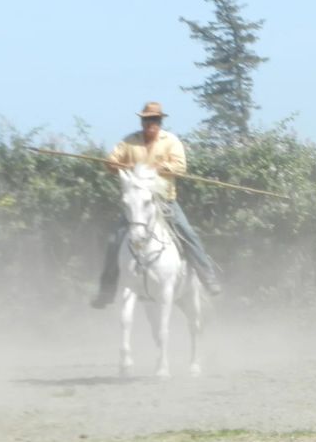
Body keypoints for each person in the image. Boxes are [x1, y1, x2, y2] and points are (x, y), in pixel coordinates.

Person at [90, 102, 221, 308]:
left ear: (160, 122)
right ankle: (106, 292)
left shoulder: (171, 141)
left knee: (189, 234)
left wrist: (154, 167)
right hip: (137, 204)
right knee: (114, 241)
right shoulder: (129, 142)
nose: (151, 124)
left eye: (155, 120)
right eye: (147, 119)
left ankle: (208, 278)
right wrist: (120, 165)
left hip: (165, 201)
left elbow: (180, 166)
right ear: (142, 121)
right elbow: (110, 162)